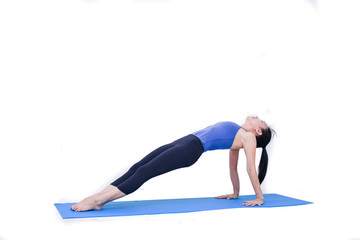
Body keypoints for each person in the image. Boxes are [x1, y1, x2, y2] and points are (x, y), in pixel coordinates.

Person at [71, 116, 275, 212]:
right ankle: (98, 197)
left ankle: (99, 202)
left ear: (258, 132)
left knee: (145, 171)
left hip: (191, 149)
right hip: (186, 140)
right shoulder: (240, 133)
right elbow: (232, 167)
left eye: (262, 122)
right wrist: (235, 193)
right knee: (138, 166)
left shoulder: (249, 137)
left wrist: (259, 197)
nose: (258, 117)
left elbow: (249, 167)